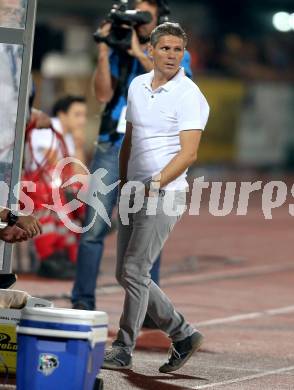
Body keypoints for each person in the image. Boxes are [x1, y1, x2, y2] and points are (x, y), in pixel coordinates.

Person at [71, 0, 193, 322]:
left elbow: (179, 84)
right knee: (94, 226)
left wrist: (142, 52)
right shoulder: (117, 49)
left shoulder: (173, 51)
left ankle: (150, 313)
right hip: (113, 143)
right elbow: (101, 94)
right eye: (136, 13)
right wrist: (103, 49)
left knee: (146, 229)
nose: (140, 20)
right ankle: (82, 303)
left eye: (147, 15)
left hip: (153, 149)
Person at [102, 22, 210, 372]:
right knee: (125, 272)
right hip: (132, 190)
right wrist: (122, 184)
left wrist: (155, 181)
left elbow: (189, 153)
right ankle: (183, 334)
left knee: (135, 269)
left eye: (178, 50)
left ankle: (123, 346)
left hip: (165, 194)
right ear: (150, 50)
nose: (171, 55)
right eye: (165, 48)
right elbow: (129, 140)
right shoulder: (136, 86)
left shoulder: (189, 95)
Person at [24, 96, 87, 279]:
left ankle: (63, 255)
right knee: (64, 200)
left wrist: (78, 145)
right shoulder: (47, 127)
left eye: (84, 115)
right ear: (62, 115)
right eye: (77, 115)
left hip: (55, 190)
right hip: (34, 188)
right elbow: (52, 162)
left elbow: (80, 171)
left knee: (78, 190)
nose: (82, 120)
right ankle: (51, 257)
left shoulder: (68, 137)